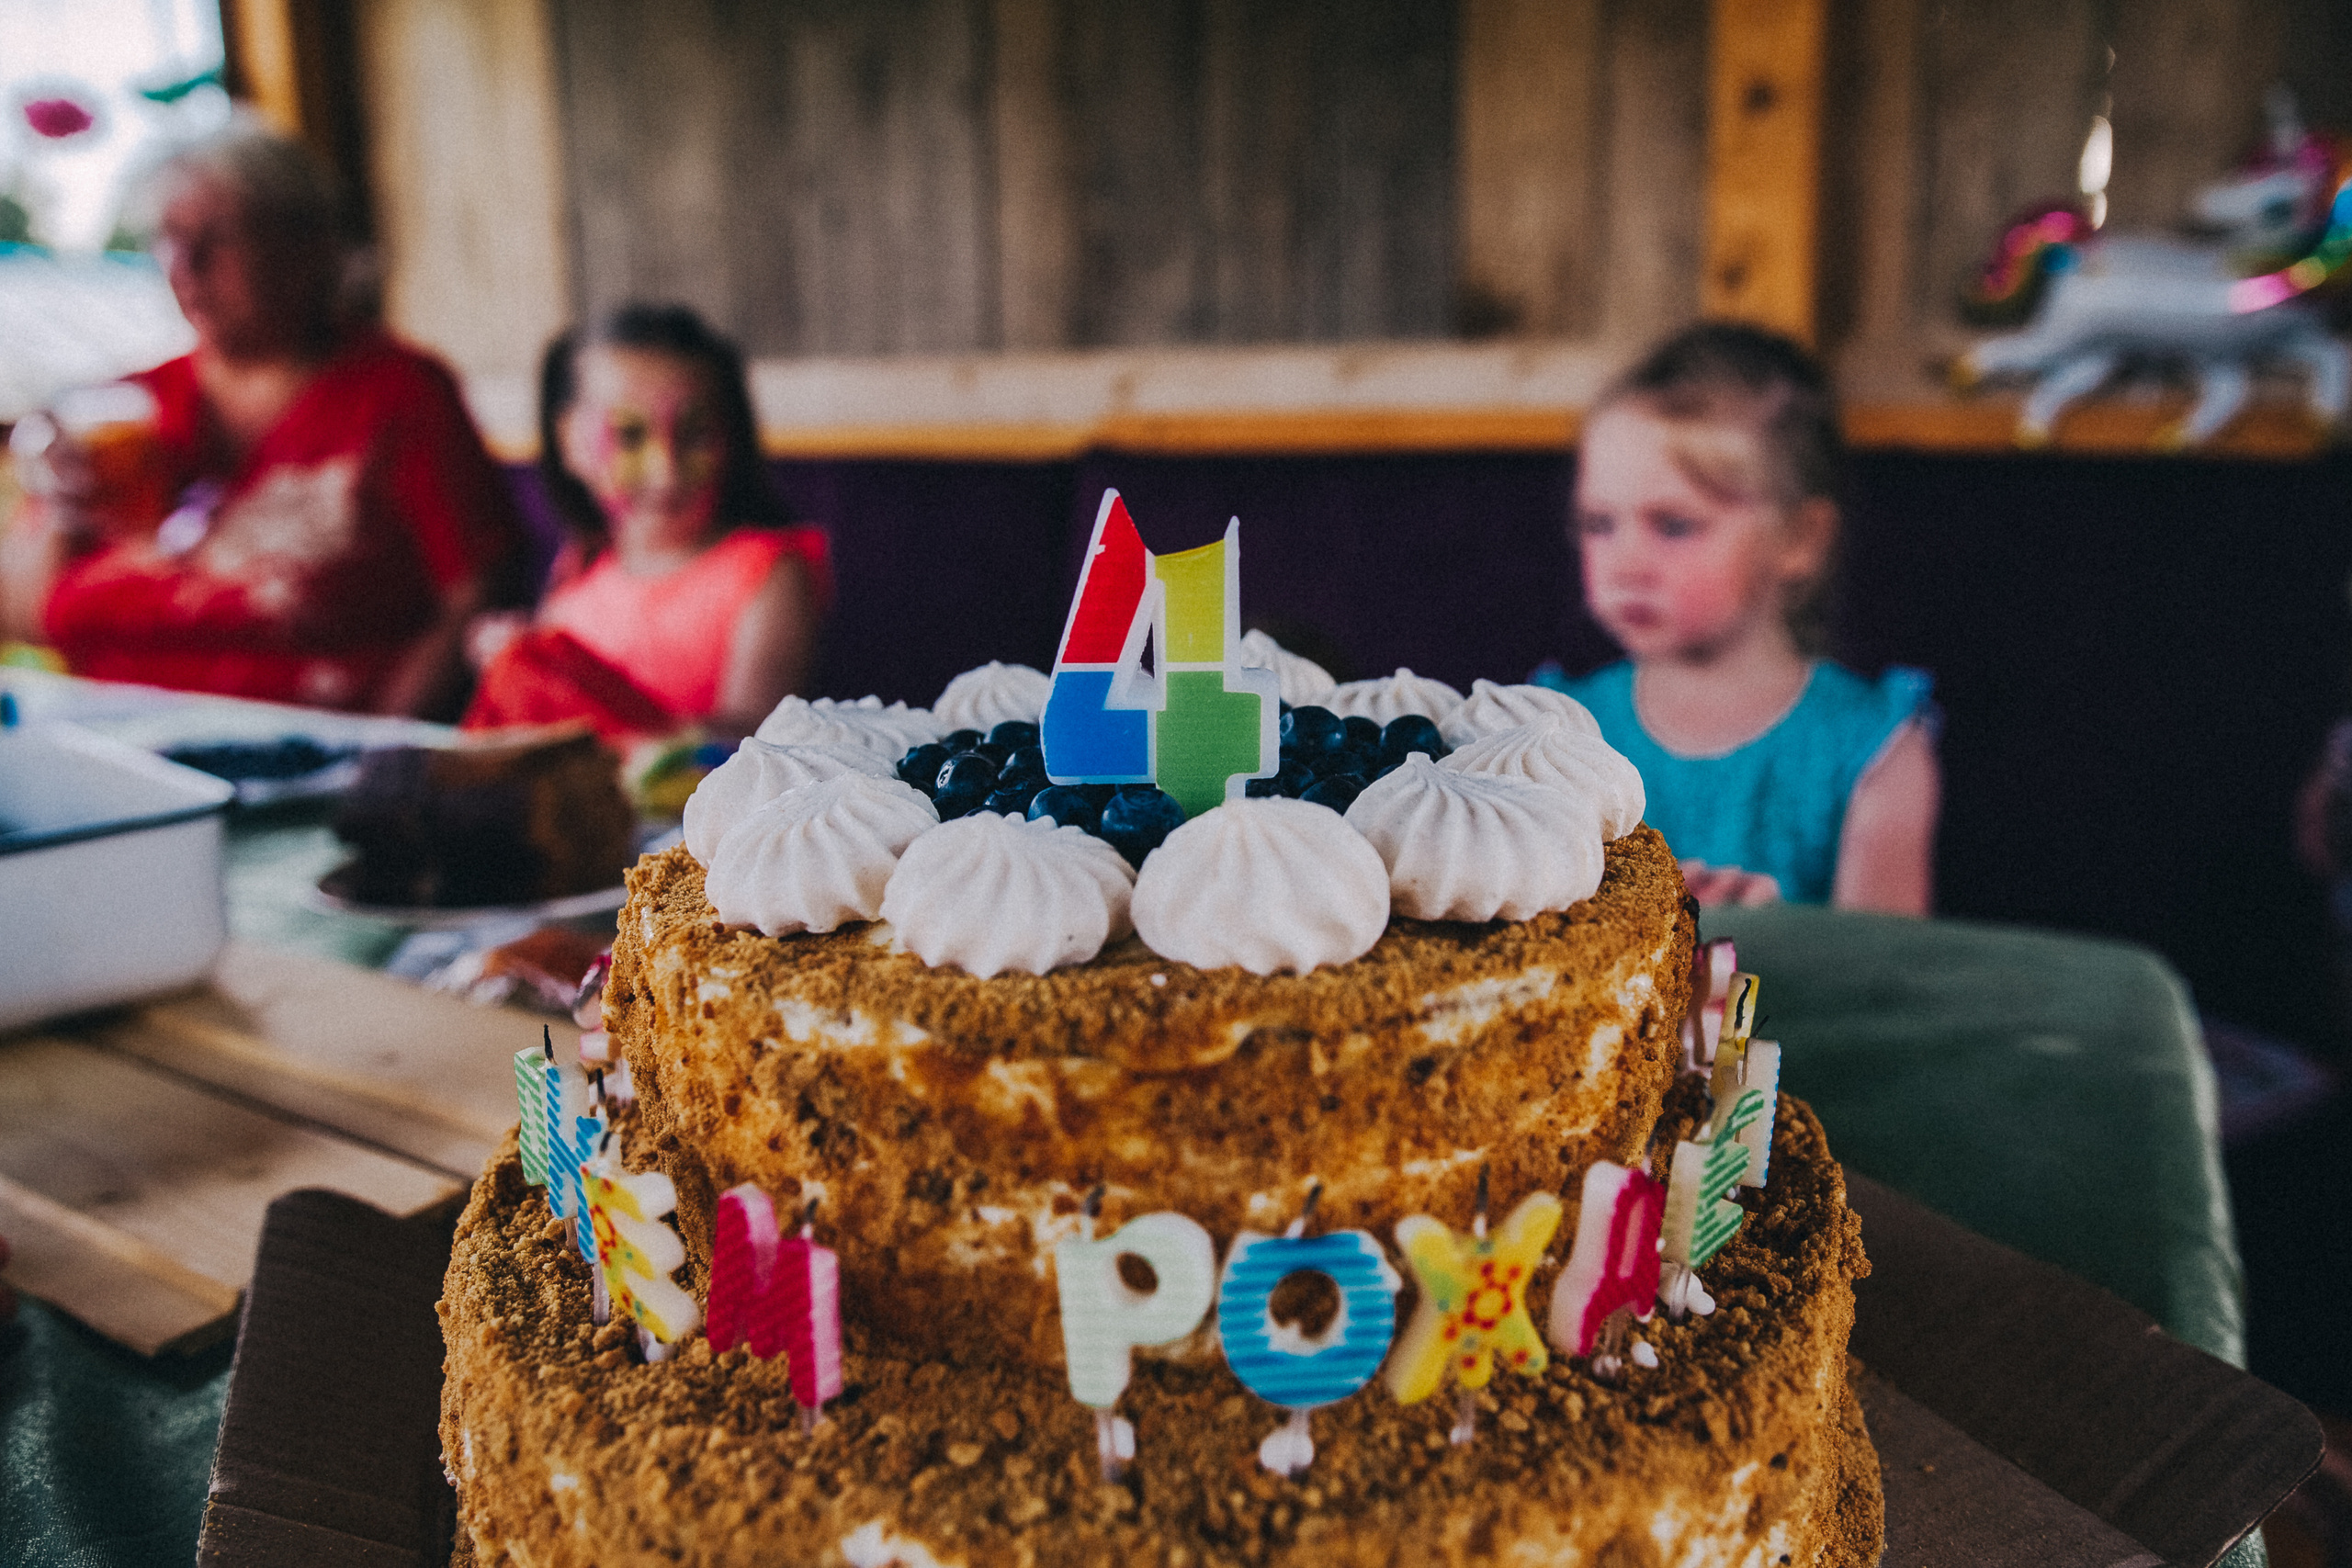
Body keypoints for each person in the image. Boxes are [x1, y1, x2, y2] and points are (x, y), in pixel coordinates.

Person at [0, 121, 526, 717]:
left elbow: (479, 594)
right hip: (114, 755)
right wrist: (60, 514)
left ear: (309, 248)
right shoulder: (123, 408)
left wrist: (382, 754)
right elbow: (21, 620)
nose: (186, 264)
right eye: (169, 238)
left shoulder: (399, 395)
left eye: (219, 237)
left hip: (309, 761)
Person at [1534, 322, 1940, 914]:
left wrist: (1778, 944)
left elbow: (1885, 988)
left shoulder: (1877, 751)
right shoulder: (1557, 733)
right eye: (1599, 524)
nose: (1624, 564)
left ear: (1799, 539)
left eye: (1674, 525)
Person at [461, 304, 826, 739]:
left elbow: (756, 739)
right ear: (570, 443)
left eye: (694, 434)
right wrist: (516, 655)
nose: (665, 471)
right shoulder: (579, 569)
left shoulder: (770, 572)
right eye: (629, 436)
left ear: (730, 436)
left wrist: (579, 690)